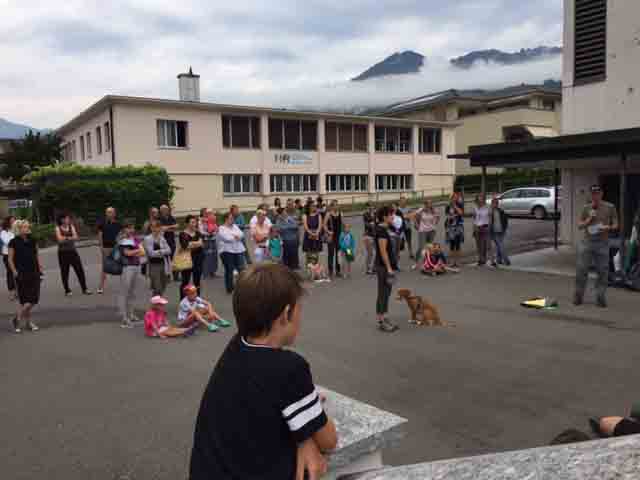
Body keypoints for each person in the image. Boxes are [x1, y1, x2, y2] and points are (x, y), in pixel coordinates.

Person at [189, 263, 338, 480]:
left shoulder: (237, 345)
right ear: (286, 314)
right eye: (299, 309)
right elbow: (329, 440)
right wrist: (308, 431)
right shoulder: (289, 368)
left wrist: (303, 438)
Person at [574, 185, 619, 308]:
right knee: (581, 269)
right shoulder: (586, 208)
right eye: (593, 193)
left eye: (597, 193)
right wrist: (589, 219)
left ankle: (600, 297)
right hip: (587, 242)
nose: (595, 196)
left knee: (603, 271)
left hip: (602, 243)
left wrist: (608, 227)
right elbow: (579, 226)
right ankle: (578, 296)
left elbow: (616, 224)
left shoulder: (610, 207)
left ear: (602, 194)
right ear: (591, 195)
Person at [8, 220, 43, 333]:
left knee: (33, 298)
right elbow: (10, 259)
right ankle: (28, 322)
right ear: (19, 229)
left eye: (28, 226)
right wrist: (14, 271)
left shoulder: (33, 240)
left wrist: (40, 267)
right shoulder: (13, 242)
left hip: (34, 271)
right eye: (25, 227)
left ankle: (17, 318)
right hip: (21, 273)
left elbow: (36, 254)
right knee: (26, 300)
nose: (28, 228)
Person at [375, 206, 399, 333]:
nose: (393, 216)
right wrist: (389, 268)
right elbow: (383, 251)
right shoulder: (381, 231)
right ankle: (381, 321)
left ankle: (385, 317)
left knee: (387, 293)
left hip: (388, 266)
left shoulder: (387, 228)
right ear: (384, 217)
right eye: (390, 215)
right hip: (383, 267)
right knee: (383, 293)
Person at [117, 220, 145, 328]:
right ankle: (124, 317)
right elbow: (127, 253)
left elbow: (143, 252)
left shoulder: (135, 239)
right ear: (124, 229)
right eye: (128, 228)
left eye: (132, 228)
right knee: (125, 292)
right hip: (127, 267)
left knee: (133, 292)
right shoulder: (122, 240)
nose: (131, 230)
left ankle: (131, 314)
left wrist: (135, 252)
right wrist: (137, 251)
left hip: (136, 266)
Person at [56, 214, 91, 296]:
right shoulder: (58, 228)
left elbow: (76, 237)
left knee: (79, 270)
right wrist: (69, 238)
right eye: (66, 218)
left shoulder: (71, 227)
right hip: (62, 253)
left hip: (72, 251)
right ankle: (67, 290)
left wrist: (65, 238)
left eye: (68, 218)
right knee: (65, 271)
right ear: (62, 220)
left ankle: (85, 288)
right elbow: (59, 240)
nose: (68, 220)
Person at [218, 212, 247, 294]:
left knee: (241, 269)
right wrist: (236, 236)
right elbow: (227, 238)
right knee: (229, 270)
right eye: (231, 218)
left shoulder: (235, 226)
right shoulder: (221, 228)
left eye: (233, 218)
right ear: (226, 219)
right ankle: (230, 288)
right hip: (227, 251)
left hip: (238, 250)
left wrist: (236, 236)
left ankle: (242, 286)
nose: (233, 220)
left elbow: (241, 234)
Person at [143, 220, 172, 296]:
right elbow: (151, 253)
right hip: (153, 265)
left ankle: (158, 300)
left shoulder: (162, 238)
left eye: (157, 227)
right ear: (151, 228)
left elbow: (169, 250)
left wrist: (159, 252)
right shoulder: (147, 239)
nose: (155, 229)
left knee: (163, 285)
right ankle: (156, 301)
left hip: (163, 264)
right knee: (157, 287)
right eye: (153, 227)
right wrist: (163, 252)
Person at [97, 207, 122, 294]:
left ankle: (124, 285)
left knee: (120, 265)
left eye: (111, 212)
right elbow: (100, 235)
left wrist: (119, 245)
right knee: (105, 267)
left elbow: (120, 235)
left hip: (115, 247)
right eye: (107, 212)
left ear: (114, 213)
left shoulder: (118, 224)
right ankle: (101, 286)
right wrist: (101, 247)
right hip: (106, 248)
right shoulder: (102, 223)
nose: (109, 214)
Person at [179, 215, 205, 299]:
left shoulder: (198, 233)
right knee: (185, 281)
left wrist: (192, 243)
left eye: (195, 222)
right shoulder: (183, 234)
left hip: (198, 258)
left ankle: (196, 299)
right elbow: (185, 246)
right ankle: (183, 300)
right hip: (187, 259)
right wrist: (197, 243)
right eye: (192, 222)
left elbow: (202, 244)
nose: (194, 224)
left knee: (197, 280)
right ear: (187, 224)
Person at [414, 199, 440, 268]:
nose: (429, 205)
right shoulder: (421, 210)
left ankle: (426, 263)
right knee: (421, 247)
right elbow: (415, 216)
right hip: (422, 230)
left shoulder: (434, 210)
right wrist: (416, 224)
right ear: (425, 204)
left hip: (431, 230)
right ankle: (416, 262)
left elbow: (438, 217)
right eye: (428, 203)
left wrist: (435, 223)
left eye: (430, 203)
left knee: (430, 247)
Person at [278, 199, 301, 270]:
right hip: (285, 239)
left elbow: (296, 225)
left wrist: (287, 225)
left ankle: (294, 266)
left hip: (294, 238)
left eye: (291, 204)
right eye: (288, 204)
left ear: (293, 204)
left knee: (294, 254)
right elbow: (279, 228)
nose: (289, 206)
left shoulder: (297, 212)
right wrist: (290, 226)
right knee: (286, 255)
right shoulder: (281, 216)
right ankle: (287, 269)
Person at [444, 192, 465, 268]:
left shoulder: (459, 204)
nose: (454, 199)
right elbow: (446, 215)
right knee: (452, 244)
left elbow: (461, 213)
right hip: (450, 227)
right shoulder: (448, 206)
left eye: (456, 197)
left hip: (458, 226)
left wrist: (455, 206)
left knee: (458, 244)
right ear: (451, 198)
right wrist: (450, 217)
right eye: (453, 197)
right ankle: (452, 261)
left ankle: (457, 261)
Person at [489, 196, 510, 267]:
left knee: (500, 245)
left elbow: (505, 220)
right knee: (499, 245)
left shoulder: (496, 211)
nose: (494, 205)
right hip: (498, 230)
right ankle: (499, 259)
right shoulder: (498, 211)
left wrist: (504, 228)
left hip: (498, 230)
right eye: (494, 203)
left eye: (495, 203)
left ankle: (506, 259)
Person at [159, 204, 179, 281]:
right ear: (161, 211)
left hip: (171, 241)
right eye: (164, 210)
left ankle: (176, 276)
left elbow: (177, 226)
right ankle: (166, 276)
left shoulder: (171, 217)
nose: (166, 211)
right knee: (165, 260)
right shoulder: (159, 219)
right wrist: (171, 227)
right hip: (163, 242)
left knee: (174, 259)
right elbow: (161, 228)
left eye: (167, 209)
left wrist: (167, 228)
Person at [324, 200, 343, 278]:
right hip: (331, 236)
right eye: (334, 205)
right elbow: (324, 225)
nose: (336, 206)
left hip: (339, 236)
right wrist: (328, 231)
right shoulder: (328, 214)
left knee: (338, 254)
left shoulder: (340, 213)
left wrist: (345, 232)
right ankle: (330, 271)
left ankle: (338, 271)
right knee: (331, 254)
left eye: (337, 205)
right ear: (331, 206)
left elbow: (342, 224)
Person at [199, 208, 219, 278]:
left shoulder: (212, 219)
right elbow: (200, 231)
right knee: (206, 257)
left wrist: (214, 232)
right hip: (206, 241)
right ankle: (206, 272)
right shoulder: (200, 221)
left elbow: (216, 228)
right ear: (202, 213)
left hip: (213, 240)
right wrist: (208, 234)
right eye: (205, 213)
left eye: (208, 213)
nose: (207, 214)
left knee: (214, 256)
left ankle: (213, 272)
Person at [302, 202, 323, 267]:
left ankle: (315, 270)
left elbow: (320, 225)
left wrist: (317, 233)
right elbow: (306, 227)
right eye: (312, 206)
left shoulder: (319, 215)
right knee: (308, 255)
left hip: (317, 236)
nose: (314, 207)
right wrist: (311, 233)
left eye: (314, 206)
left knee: (316, 255)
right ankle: (309, 270)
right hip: (308, 236)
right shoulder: (305, 215)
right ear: (308, 207)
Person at [1, 215, 17, 301]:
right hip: (7, 255)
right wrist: (13, 234)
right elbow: (8, 242)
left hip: (17, 254)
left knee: (18, 271)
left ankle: (18, 290)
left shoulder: (16, 231)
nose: (14, 223)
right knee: (10, 273)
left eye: (14, 221)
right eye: (12, 221)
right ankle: (12, 292)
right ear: (8, 223)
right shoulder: (3, 232)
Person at [472, 194, 490, 267]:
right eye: (479, 198)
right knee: (478, 244)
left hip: (485, 227)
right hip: (477, 227)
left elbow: (489, 217)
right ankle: (480, 259)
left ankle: (484, 259)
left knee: (484, 244)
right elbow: (474, 218)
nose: (480, 200)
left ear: (483, 199)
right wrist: (474, 227)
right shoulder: (475, 207)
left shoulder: (487, 207)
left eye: (481, 198)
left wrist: (489, 226)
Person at [362, 203, 377, 275]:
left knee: (376, 253)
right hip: (368, 235)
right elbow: (367, 224)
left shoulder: (375, 214)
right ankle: (368, 269)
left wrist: (374, 222)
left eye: (372, 207)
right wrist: (372, 223)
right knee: (370, 253)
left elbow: (377, 223)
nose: (371, 208)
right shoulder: (365, 214)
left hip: (375, 235)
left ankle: (373, 268)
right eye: (369, 207)